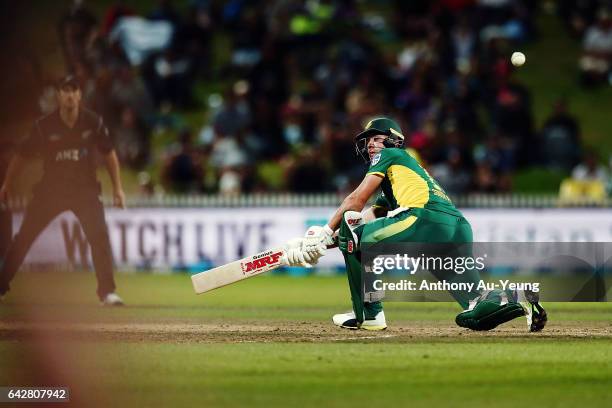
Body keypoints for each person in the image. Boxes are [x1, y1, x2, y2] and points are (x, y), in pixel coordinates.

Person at [284, 117, 547, 332]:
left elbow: (355, 201)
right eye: (368, 141)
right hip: (454, 228)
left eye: (377, 138)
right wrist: (316, 246)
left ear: (392, 140)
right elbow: (363, 222)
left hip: (425, 219)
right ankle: (517, 296)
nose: (371, 145)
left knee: (355, 236)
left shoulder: (391, 155)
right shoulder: (401, 178)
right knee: (475, 312)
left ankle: (369, 314)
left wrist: (325, 230)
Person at [0, 75, 126, 306]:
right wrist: (7, 184)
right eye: (65, 90)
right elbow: (21, 155)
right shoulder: (44, 126)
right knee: (24, 238)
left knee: (99, 237)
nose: (69, 95)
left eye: (73, 90)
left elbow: (109, 153)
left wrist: (118, 187)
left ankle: (107, 292)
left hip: (84, 190)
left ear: (79, 95)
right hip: (50, 191)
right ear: (59, 96)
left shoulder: (92, 122)